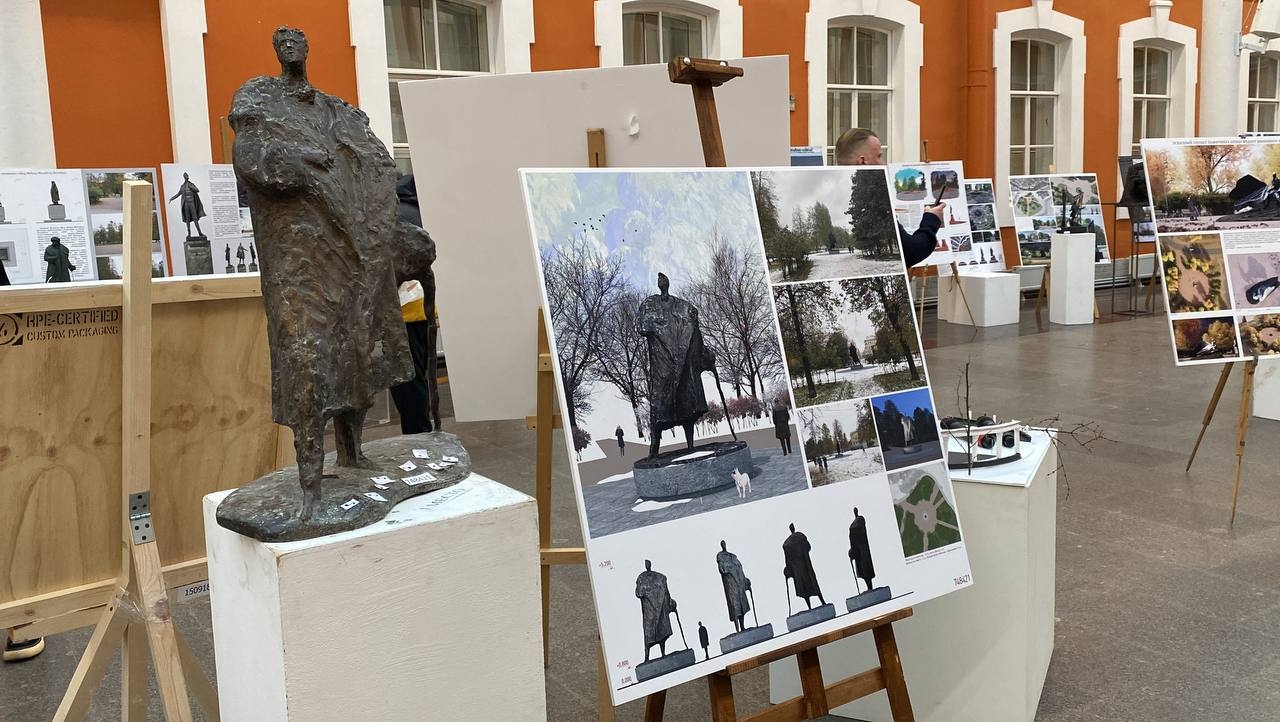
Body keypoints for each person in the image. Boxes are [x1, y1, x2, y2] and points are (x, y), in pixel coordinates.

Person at [834, 127, 943, 267]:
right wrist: (932, 219)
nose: (883, 162)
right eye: (879, 156)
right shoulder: (873, 197)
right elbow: (911, 252)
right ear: (863, 161)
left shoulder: (834, 191)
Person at [389, 173, 442, 435]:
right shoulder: (420, 212)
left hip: (402, 309)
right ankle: (424, 429)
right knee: (419, 373)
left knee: (407, 379)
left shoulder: (397, 213)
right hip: (421, 306)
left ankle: (418, 433)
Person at [635, 560, 679, 662]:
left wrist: (670, 603)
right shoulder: (641, 578)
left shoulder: (660, 578)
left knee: (662, 632)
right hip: (649, 613)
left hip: (660, 611)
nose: (647, 566)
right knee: (648, 635)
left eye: (648, 564)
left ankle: (663, 653)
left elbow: (666, 592)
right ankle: (647, 658)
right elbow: (639, 593)